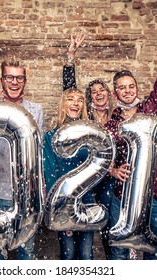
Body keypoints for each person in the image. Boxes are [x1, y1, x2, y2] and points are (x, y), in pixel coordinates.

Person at [107, 0, 157, 260]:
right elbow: (100, 156)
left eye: (131, 86)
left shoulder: (151, 109)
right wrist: (112, 170)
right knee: (119, 253)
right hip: (125, 197)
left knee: (154, 253)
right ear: (115, 92)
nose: (127, 90)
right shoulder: (111, 123)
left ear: (136, 89)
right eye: (122, 87)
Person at [62, 33, 117, 259]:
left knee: (111, 232)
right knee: (87, 232)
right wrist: (71, 57)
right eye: (93, 92)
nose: (98, 93)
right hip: (90, 184)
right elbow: (69, 92)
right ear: (90, 98)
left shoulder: (118, 118)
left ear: (109, 94)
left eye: (102, 90)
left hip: (113, 184)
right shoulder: (86, 121)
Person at [0, 58, 44, 260]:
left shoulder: (36, 110)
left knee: (27, 250)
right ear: (2, 80)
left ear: (25, 81)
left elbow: (38, 151)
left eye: (19, 78)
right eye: (10, 77)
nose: (14, 82)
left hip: (27, 194)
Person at [43, 88, 96, 260]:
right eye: (71, 99)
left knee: (86, 254)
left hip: (87, 201)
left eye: (80, 100)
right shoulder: (51, 137)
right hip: (64, 203)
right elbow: (49, 172)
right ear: (63, 104)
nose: (76, 103)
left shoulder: (91, 135)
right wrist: (58, 206)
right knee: (69, 254)